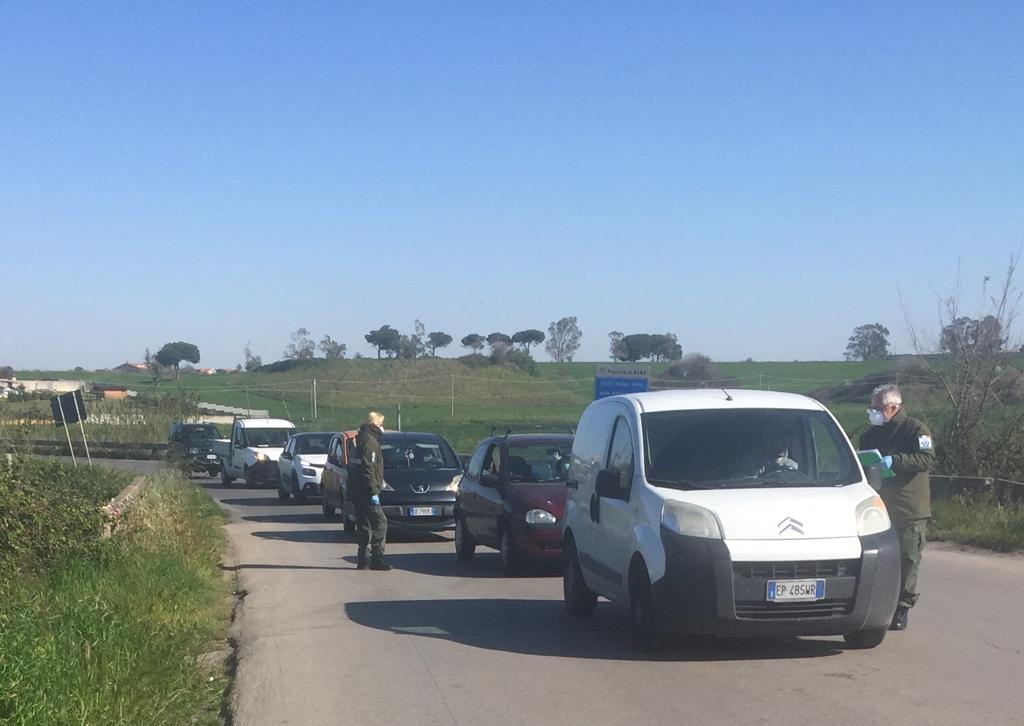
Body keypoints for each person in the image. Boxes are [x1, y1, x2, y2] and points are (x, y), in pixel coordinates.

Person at [859, 383, 934, 631]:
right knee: (879, 559)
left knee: (907, 558)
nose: (874, 413)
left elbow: (926, 459)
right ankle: (878, 604)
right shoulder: (871, 434)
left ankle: (902, 607)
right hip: (879, 507)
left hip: (909, 508)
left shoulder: (916, 430)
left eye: (878, 408)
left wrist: (896, 460)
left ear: (893, 407)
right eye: (872, 409)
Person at [349, 411, 390, 571]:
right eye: (381, 424)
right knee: (381, 522)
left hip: (357, 490)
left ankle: (363, 559)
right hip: (366, 491)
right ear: (376, 425)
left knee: (364, 525)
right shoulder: (370, 441)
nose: (382, 428)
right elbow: (368, 468)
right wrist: (373, 492)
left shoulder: (359, 438)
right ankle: (377, 558)